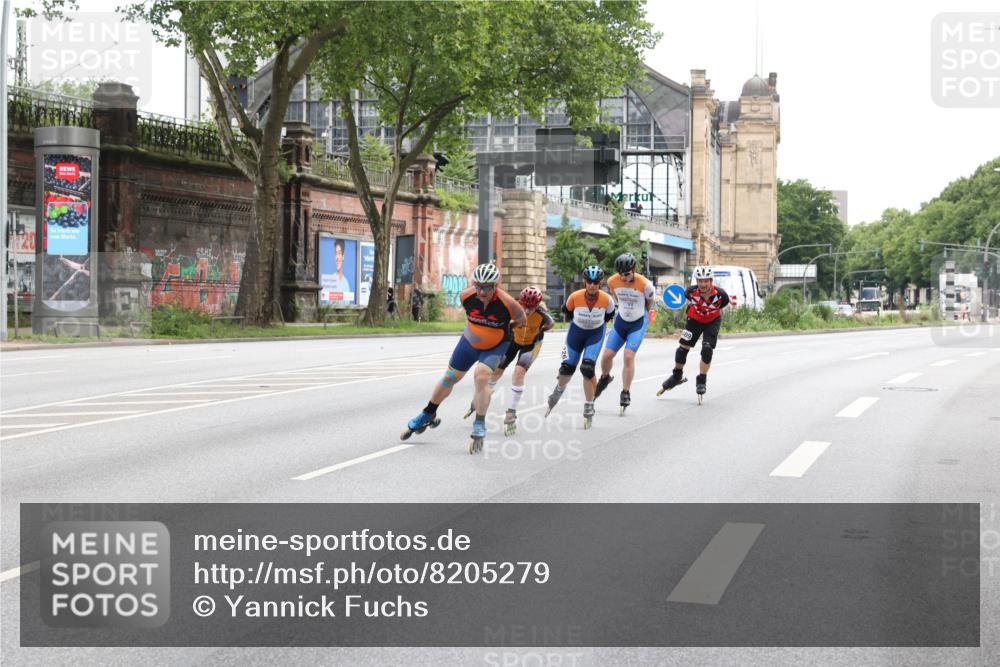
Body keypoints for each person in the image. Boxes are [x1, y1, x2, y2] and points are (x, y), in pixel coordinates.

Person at [402, 263, 526, 453]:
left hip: (496, 345)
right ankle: (428, 413)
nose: (481, 291)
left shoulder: (508, 303)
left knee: (481, 376)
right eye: (478, 286)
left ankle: (479, 423)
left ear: (496, 285)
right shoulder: (466, 296)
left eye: (487, 287)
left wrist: (509, 327)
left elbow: (522, 319)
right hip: (469, 342)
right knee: (449, 377)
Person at [464, 286, 554, 435]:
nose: (527, 311)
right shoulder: (514, 308)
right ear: (520, 302)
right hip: (513, 341)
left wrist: (540, 330)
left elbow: (550, 324)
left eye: (531, 307)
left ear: (538, 305)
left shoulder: (542, 314)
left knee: (519, 373)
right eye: (525, 306)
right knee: (497, 371)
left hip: (531, 345)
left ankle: (511, 412)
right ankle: (479, 398)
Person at [545, 265, 615, 429]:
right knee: (566, 369)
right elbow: (567, 312)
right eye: (589, 282)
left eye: (595, 282)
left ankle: (589, 404)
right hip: (575, 334)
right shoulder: (574, 297)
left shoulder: (607, 300)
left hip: (595, 335)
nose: (592, 285)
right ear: (585, 282)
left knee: (587, 368)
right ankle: (558, 391)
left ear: (601, 283)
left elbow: (608, 316)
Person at [593, 253, 656, 414]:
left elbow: (649, 303)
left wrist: (643, 317)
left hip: (637, 322)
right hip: (621, 321)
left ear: (634, 270)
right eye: (621, 274)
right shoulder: (612, 281)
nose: (624, 278)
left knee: (628, 356)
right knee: (606, 356)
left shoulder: (646, 284)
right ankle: (605, 377)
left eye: (627, 274)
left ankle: (625, 392)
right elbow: (616, 299)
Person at [658, 265, 730, 402]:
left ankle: (702, 380)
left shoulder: (721, 295)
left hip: (712, 321)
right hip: (694, 321)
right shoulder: (690, 292)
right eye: (700, 281)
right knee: (682, 350)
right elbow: (687, 300)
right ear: (696, 281)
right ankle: (677, 375)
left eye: (706, 281)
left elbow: (723, 304)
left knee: (707, 349)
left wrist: (708, 311)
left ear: (711, 281)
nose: (703, 284)